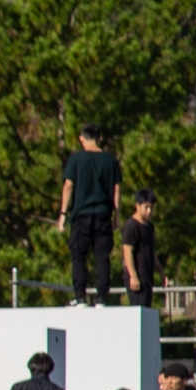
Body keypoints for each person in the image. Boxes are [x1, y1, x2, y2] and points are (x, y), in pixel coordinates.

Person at [56, 124, 121, 306]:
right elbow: (116, 190)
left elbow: (68, 186)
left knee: (78, 255)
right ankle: (101, 297)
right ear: (99, 138)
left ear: (82, 139)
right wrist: (117, 216)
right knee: (102, 256)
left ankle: (80, 296)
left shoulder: (76, 159)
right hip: (102, 214)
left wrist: (62, 214)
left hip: (81, 215)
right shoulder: (110, 161)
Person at [120, 188, 157, 308]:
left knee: (146, 310)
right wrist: (133, 275)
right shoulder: (131, 226)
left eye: (151, 207)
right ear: (137, 206)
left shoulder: (149, 227)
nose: (149, 211)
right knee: (138, 311)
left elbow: (151, 251)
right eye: (146, 207)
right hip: (137, 278)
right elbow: (127, 251)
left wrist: (161, 273)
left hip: (147, 277)